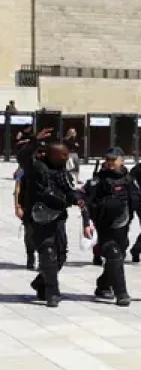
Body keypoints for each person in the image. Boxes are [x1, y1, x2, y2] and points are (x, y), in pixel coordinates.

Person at [20, 130, 92, 308]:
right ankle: (52, 293)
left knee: (60, 255)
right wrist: (34, 141)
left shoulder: (62, 171)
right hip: (39, 218)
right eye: (63, 155)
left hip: (58, 218)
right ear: (53, 154)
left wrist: (77, 198)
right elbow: (23, 156)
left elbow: (69, 189)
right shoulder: (36, 168)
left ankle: (40, 282)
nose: (66, 157)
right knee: (48, 254)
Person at [84, 148, 141, 307]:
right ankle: (121, 293)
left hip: (122, 227)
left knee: (118, 257)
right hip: (105, 227)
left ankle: (103, 285)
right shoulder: (98, 180)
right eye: (108, 160)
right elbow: (85, 202)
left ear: (121, 161)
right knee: (114, 254)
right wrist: (87, 222)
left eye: (113, 160)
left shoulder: (128, 180)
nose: (110, 163)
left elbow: (139, 200)